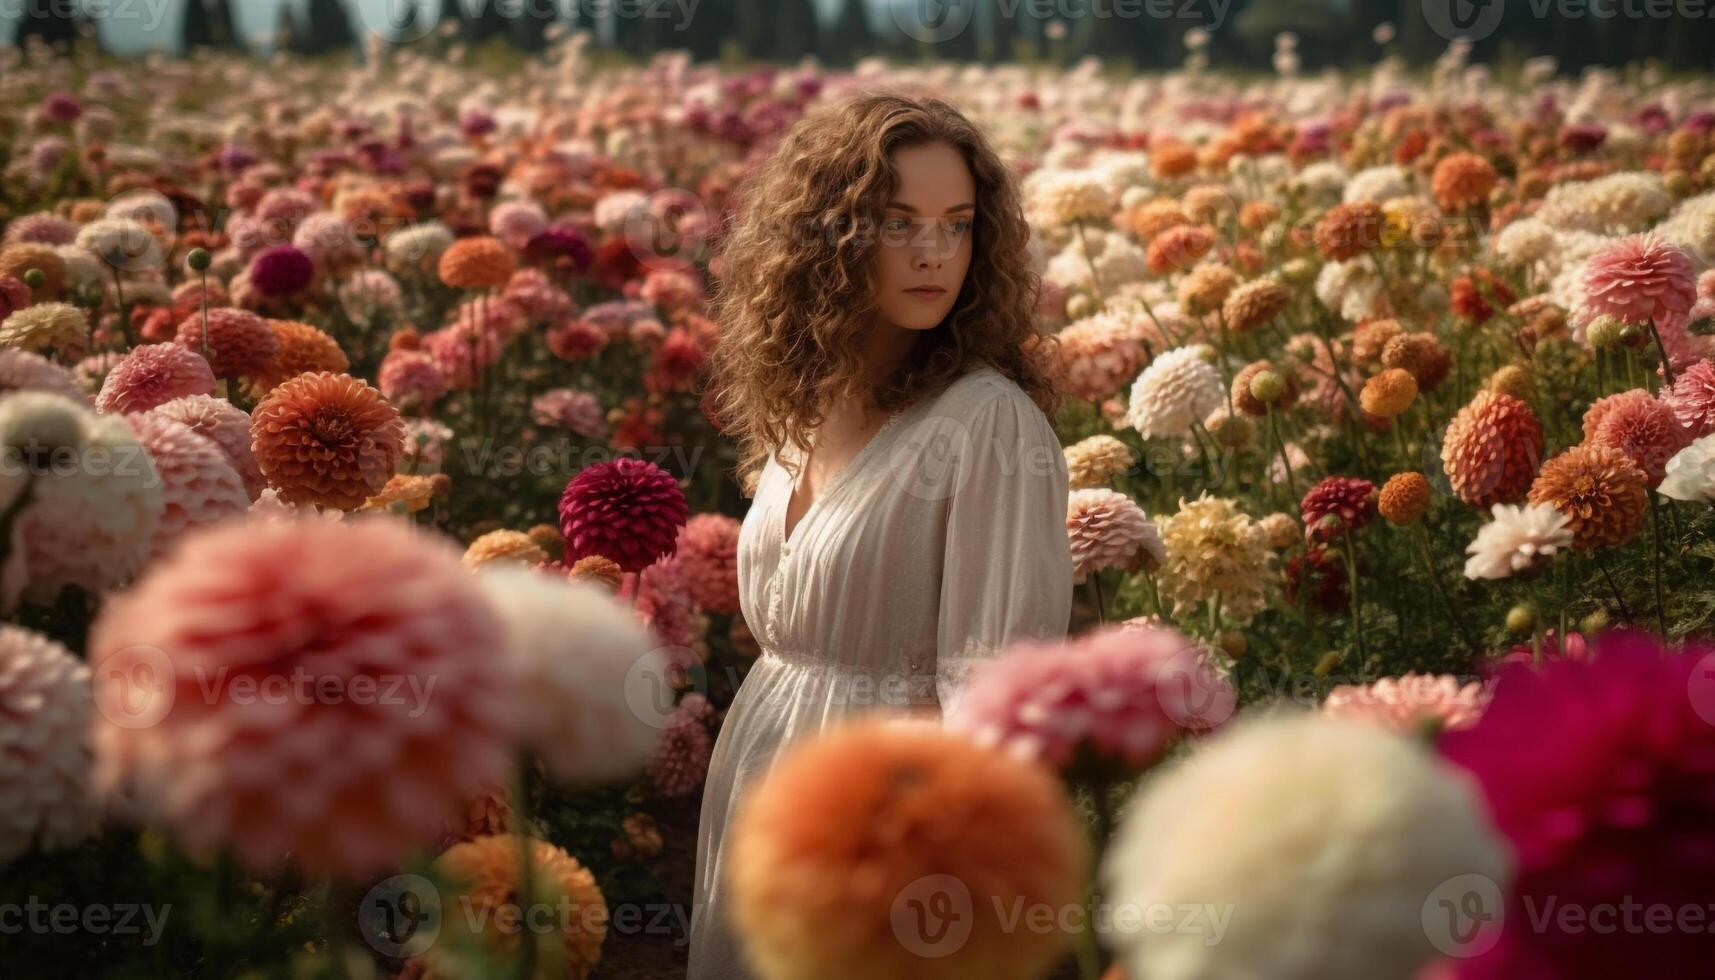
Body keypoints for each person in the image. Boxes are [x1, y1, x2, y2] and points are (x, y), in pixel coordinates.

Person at [688, 90, 1075, 979]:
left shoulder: (989, 425)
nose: (934, 253)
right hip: (761, 780)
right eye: (896, 223)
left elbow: (994, 698)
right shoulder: (807, 403)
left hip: (891, 830)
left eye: (957, 223)